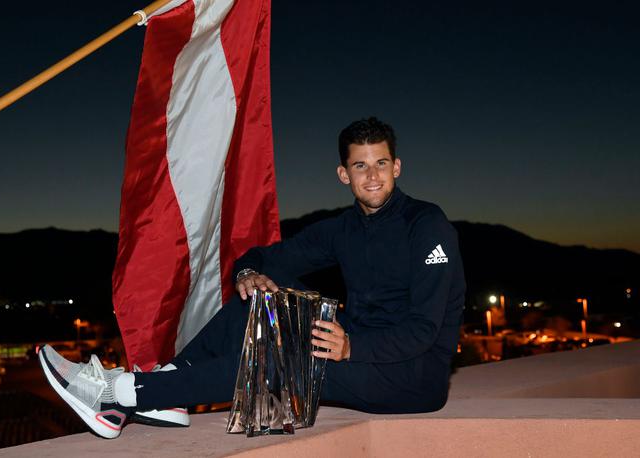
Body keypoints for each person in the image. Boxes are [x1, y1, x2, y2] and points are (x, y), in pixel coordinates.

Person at [39, 117, 465, 439]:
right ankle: (168, 384)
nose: (372, 176)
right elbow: (268, 257)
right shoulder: (344, 229)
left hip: (412, 375)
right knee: (253, 299)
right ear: (344, 174)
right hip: (358, 348)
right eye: (360, 166)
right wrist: (247, 272)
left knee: (273, 360)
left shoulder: (426, 225)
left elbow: (425, 330)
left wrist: (352, 345)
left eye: (381, 164)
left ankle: (119, 396)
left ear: (397, 167)